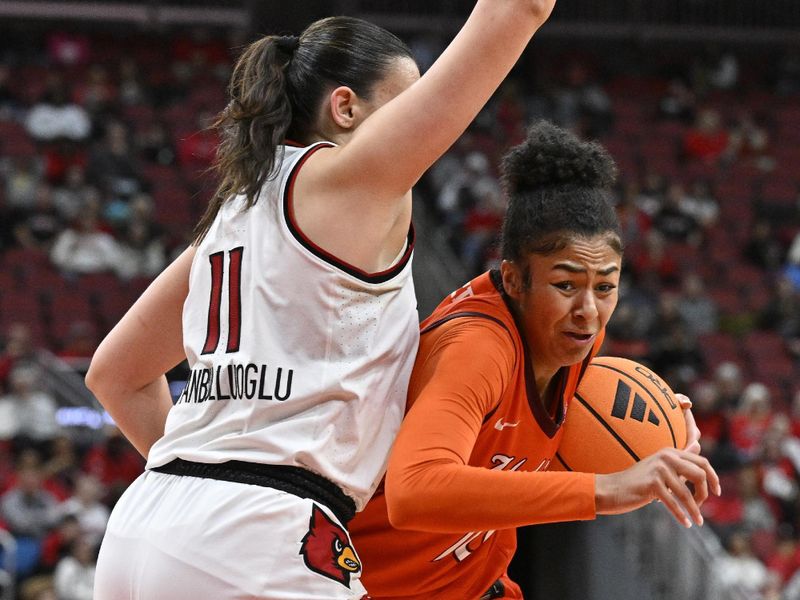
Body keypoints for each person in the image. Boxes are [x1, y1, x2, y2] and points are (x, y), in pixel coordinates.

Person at [85, 3, 558, 599]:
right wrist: (237, 503)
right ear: (345, 108)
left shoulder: (234, 215)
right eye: (406, 101)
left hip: (144, 522)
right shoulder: (353, 181)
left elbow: (115, 375)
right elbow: (518, 9)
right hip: (260, 530)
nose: (419, 121)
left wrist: (207, 489)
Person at [349, 121, 721, 600]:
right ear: (514, 279)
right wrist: (605, 490)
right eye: (566, 285)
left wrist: (662, 425)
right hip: (370, 587)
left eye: (605, 287)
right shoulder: (477, 349)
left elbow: (550, 433)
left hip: (478, 585)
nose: (588, 310)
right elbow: (414, 491)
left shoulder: (575, 336)